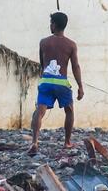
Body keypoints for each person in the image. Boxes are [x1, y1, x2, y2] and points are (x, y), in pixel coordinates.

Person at [27, 12, 84, 155]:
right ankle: (67, 142)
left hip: (46, 81)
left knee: (39, 112)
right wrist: (80, 86)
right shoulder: (71, 45)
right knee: (69, 110)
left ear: (54, 24)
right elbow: (75, 66)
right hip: (62, 82)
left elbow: (42, 64)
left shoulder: (43, 42)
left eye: (51, 23)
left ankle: (34, 142)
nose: (50, 25)